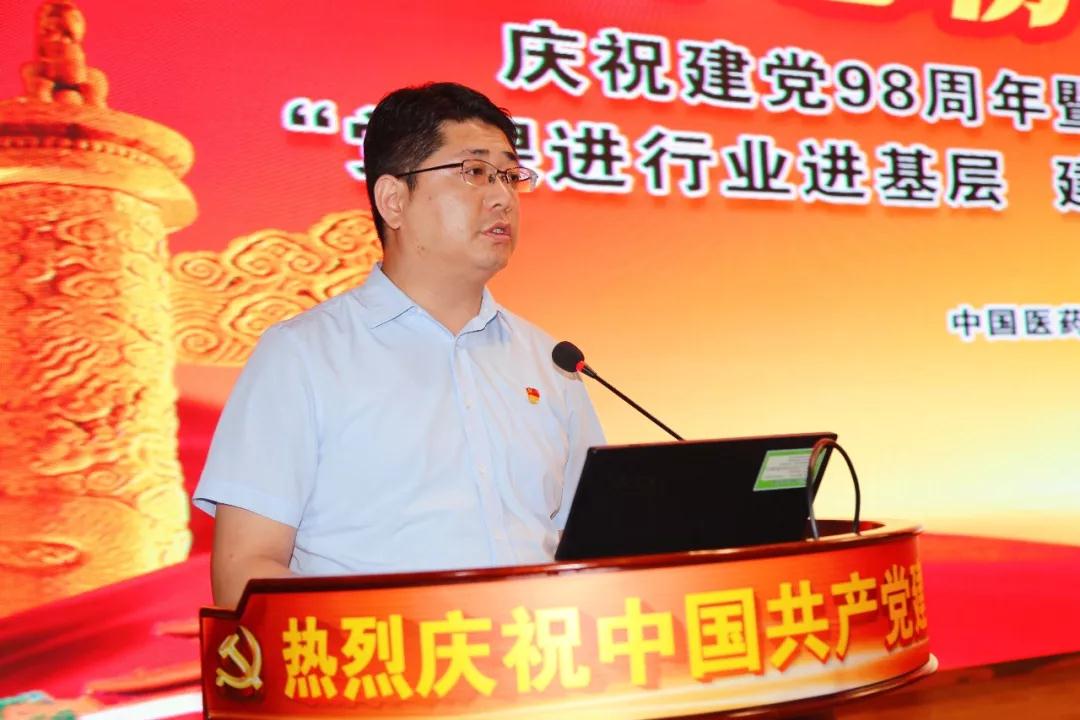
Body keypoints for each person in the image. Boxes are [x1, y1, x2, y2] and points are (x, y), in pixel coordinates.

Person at [193, 82, 605, 608]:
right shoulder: (302, 356)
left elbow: (598, 548)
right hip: (379, 656)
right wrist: (406, 629)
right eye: (474, 171)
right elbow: (243, 573)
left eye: (509, 175)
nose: (503, 196)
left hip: (540, 654)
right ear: (393, 200)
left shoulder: (551, 364)